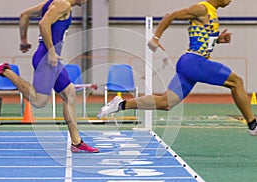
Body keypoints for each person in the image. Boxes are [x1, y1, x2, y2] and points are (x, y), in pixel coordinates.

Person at [97, 0, 257, 136]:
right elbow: (170, 15)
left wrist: (218, 39)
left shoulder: (212, 14)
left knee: (165, 103)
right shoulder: (201, 8)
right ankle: (253, 124)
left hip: (191, 65)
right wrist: (156, 37)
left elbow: (201, 39)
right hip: (194, 62)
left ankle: (120, 104)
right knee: (236, 82)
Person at [0, 0, 99, 152]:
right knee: (38, 101)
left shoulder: (51, 3)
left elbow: (24, 15)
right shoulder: (63, 5)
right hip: (47, 58)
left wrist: (24, 40)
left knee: (69, 94)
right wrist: (51, 51)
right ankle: (5, 71)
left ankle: (76, 143)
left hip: (50, 59)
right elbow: (43, 24)